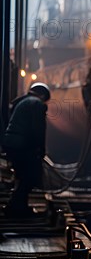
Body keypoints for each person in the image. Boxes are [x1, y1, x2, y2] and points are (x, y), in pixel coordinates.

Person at [1, 82, 51, 218]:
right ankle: (14, 207)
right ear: (42, 95)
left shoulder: (23, 102)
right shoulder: (37, 104)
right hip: (22, 145)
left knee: (22, 177)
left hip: (13, 143)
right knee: (30, 177)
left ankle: (19, 206)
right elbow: (37, 129)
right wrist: (40, 149)